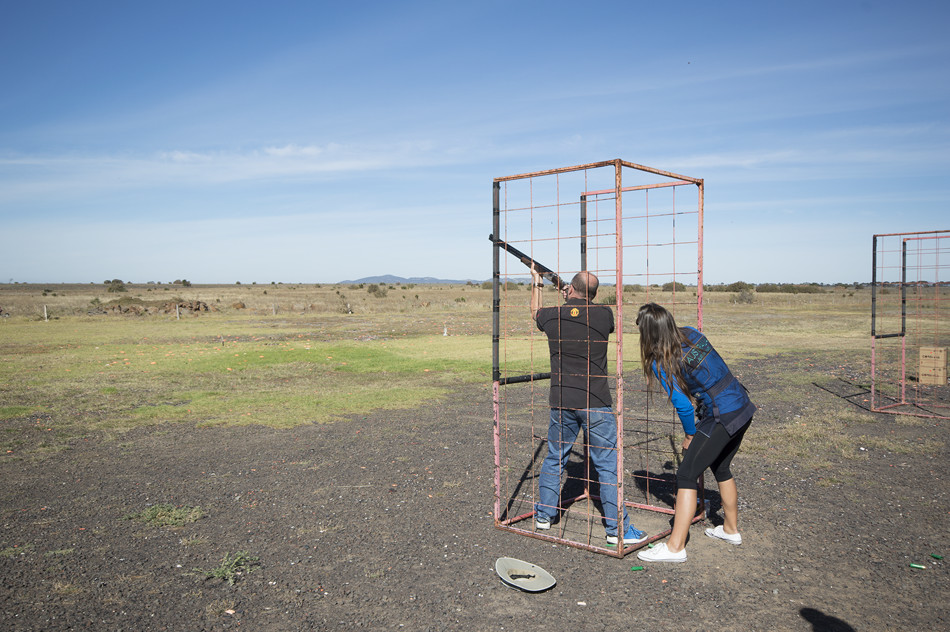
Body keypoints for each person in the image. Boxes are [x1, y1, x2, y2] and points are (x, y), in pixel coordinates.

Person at [530, 266, 646, 546]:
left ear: (569, 289)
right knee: (606, 466)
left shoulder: (552, 315)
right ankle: (616, 530)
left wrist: (537, 283)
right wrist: (572, 300)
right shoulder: (604, 314)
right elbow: (583, 312)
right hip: (596, 401)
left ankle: (544, 516)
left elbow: (536, 314)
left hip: (561, 401)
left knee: (555, 457)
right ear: (594, 294)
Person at [634, 302, 756, 563]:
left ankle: (675, 547)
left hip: (721, 415)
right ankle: (730, 530)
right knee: (721, 468)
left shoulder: (660, 360)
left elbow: (682, 406)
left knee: (687, 474)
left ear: (648, 333)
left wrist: (690, 435)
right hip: (742, 406)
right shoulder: (691, 333)